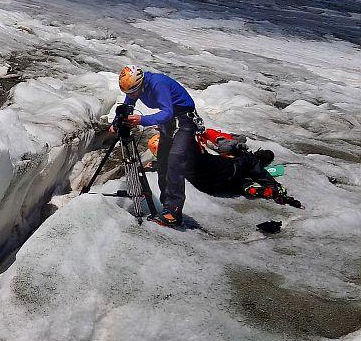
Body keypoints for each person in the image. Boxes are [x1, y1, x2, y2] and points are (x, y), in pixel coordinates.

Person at [117, 65, 200, 227]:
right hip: (169, 123)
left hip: (184, 121)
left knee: (175, 160)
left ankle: (174, 210)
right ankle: (166, 206)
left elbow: (167, 111)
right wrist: (118, 122)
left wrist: (141, 120)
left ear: (140, 83)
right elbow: (128, 106)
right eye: (128, 93)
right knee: (163, 163)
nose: (131, 96)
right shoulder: (136, 88)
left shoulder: (157, 84)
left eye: (132, 92)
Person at [147, 130, 304, 208]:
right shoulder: (190, 149)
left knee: (236, 181)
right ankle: (273, 186)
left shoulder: (169, 164)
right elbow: (203, 134)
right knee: (248, 161)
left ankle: (247, 188)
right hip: (229, 170)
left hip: (211, 187)